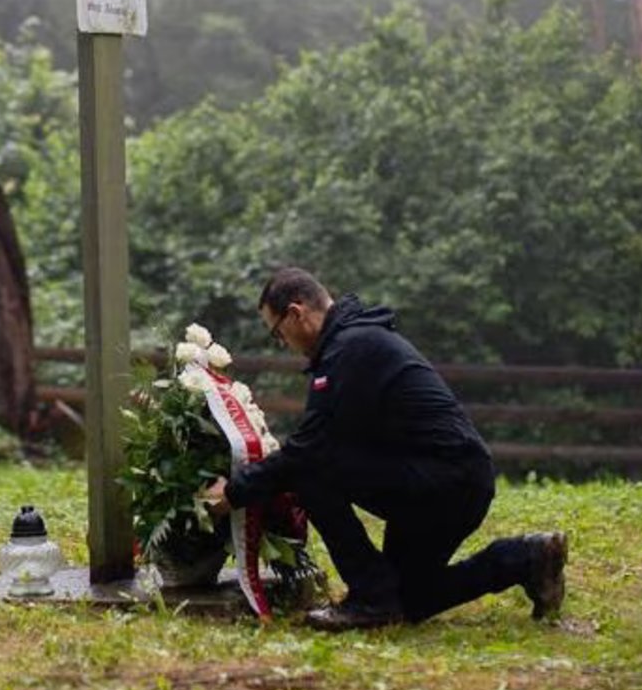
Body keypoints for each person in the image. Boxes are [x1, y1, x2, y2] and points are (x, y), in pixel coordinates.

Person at [204, 267, 567, 632]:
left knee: (309, 471)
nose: (282, 343)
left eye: (277, 332)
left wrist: (235, 491)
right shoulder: (353, 342)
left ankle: (369, 598)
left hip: (444, 484)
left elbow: (310, 450)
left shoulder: (351, 349)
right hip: (452, 480)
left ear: (296, 313)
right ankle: (525, 557)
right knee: (409, 600)